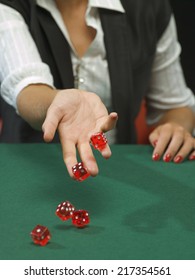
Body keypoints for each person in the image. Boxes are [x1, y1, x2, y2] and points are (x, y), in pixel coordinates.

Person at [0, 0, 195, 179]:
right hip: (27, 176)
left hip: (119, 175)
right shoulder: (8, 5)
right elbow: (27, 88)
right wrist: (57, 102)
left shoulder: (149, 7)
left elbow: (176, 106)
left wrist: (176, 126)